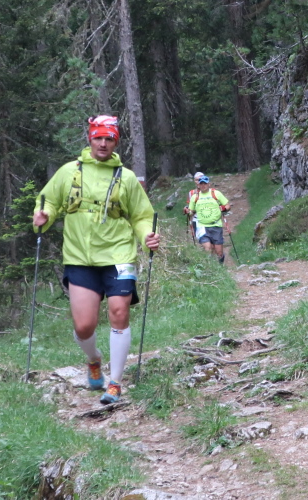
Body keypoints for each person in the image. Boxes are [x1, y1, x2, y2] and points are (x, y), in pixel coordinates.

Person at [32, 115, 160, 405]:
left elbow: (141, 216)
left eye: (109, 138)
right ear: (90, 139)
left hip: (119, 255)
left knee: (119, 312)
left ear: (116, 142)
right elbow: (48, 202)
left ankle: (115, 382)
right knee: (84, 326)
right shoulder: (68, 172)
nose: (103, 143)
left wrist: (148, 236)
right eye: (98, 137)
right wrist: (43, 217)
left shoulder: (126, 177)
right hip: (80, 257)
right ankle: (93, 359)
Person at [188, 175, 231, 264]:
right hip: (201, 226)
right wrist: (188, 212)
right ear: (198, 185)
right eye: (201, 184)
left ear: (209, 184)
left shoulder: (216, 193)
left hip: (216, 225)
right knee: (207, 247)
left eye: (205, 183)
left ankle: (220, 266)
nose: (203, 185)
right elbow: (191, 211)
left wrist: (223, 208)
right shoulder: (195, 197)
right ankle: (210, 266)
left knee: (219, 252)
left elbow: (227, 205)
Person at [183, 171, 204, 241]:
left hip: (209, 219)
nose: (198, 182)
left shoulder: (211, 192)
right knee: (201, 239)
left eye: (200, 179)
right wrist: (187, 209)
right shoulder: (191, 193)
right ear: (194, 181)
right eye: (196, 180)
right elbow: (190, 206)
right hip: (196, 219)